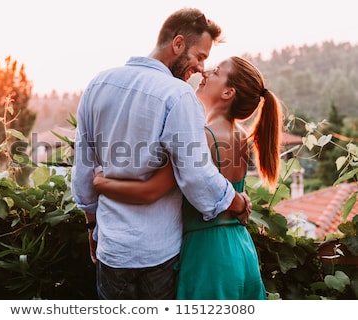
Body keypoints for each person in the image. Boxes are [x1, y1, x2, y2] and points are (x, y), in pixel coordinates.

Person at [71, 8, 250, 300]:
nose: (202, 68)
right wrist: (237, 202)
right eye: (200, 56)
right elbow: (196, 175)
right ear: (178, 44)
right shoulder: (178, 96)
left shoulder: (98, 84)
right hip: (159, 253)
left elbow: (83, 168)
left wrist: (93, 226)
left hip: (111, 249)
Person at [93, 56, 283, 299]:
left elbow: (151, 190)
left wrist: (100, 183)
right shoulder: (241, 135)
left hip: (208, 255)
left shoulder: (202, 137)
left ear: (228, 92)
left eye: (216, 71)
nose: (205, 74)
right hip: (241, 249)